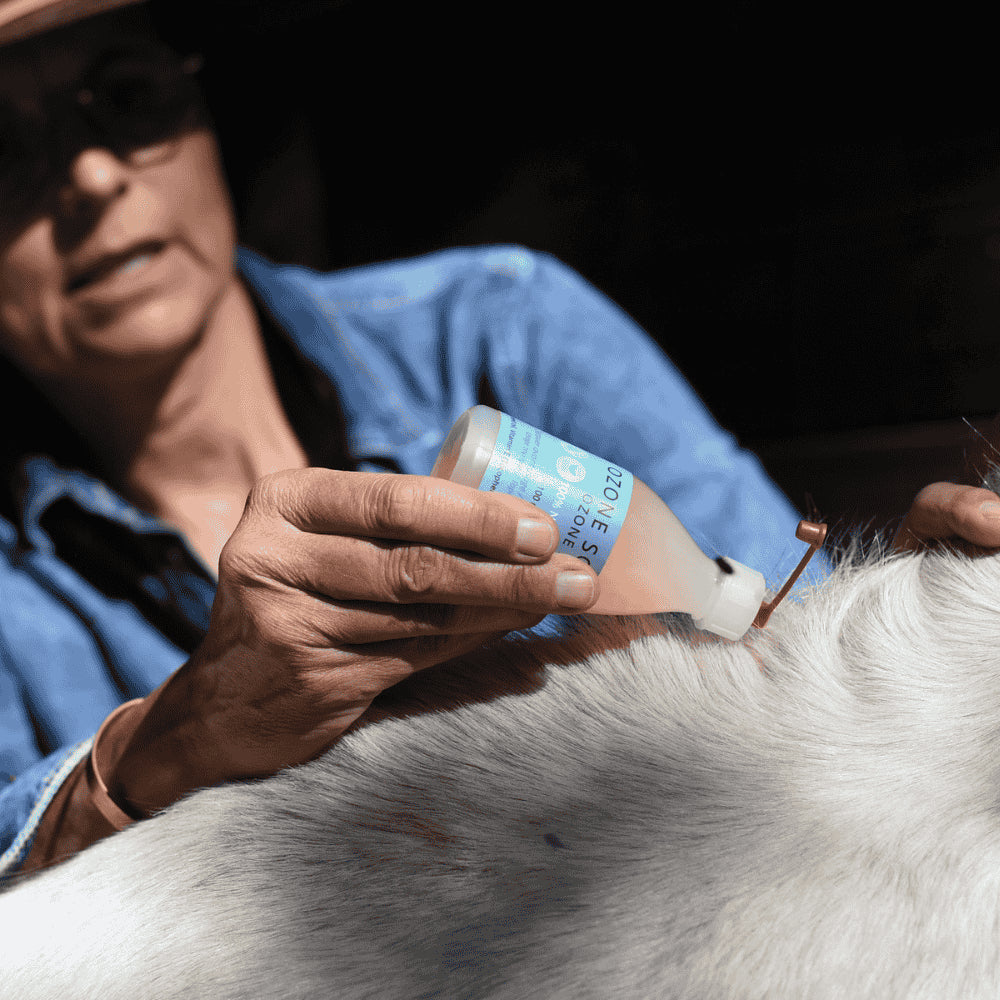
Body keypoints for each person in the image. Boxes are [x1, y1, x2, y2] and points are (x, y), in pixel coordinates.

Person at [0, 0, 996, 882]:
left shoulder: (495, 332)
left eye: (125, 98)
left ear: (208, 113)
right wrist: (163, 745)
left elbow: (771, 608)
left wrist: (896, 634)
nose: (87, 177)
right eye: (5, 147)